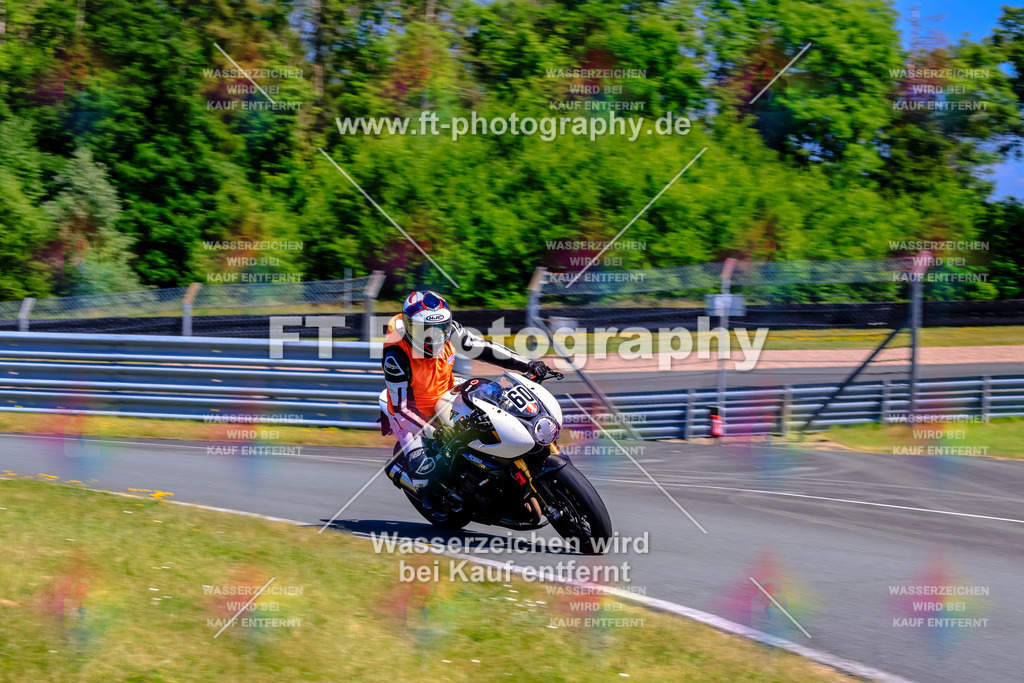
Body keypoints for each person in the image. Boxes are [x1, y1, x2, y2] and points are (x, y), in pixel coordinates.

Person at [379, 290, 549, 498]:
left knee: (491, 421)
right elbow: (400, 409)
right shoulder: (395, 357)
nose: (433, 336)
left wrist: (527, 364)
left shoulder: (450, 331)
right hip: (412, 415)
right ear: (408, 327)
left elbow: (485, 349)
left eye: (440, 328)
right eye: (425, 330)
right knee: (424, 477)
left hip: (446, 392)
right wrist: (434, 431)